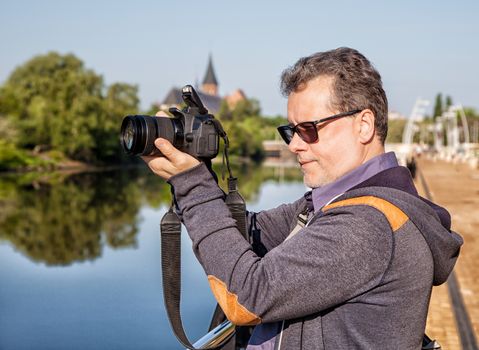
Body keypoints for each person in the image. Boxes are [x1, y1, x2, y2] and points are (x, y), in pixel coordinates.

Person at [143, 47, 463, 349]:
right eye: (291, 131)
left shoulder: (368, 225)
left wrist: (192, 186)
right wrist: (199, 175)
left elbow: (246, 297)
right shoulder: (331, 205)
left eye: (309, 129)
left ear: (364, 125)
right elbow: (247, 232)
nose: (294, 145)